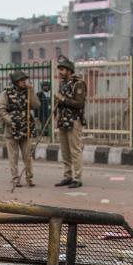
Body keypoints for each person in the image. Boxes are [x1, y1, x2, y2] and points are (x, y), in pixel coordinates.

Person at [0, 70, 41, 188]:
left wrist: (31, 91)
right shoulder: (6, 93)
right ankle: (15, 179)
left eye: (24, 80)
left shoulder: (28, 91)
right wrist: (11, 120)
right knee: (13, 156)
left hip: (26, 128)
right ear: (15, 82)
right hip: (12, 130)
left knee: (28, 155)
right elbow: (0, 110)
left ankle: (29, 178)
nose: (24, 82)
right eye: (21, 80)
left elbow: (36, 105)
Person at [53, 56, 87, 188]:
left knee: (75, 150)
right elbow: (60, 101)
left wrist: (62, 100)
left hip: (74, 120)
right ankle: (67, 176)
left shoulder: (78, 84)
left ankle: (77, 178)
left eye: (62, 69)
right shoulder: (62, 84)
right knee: (65, 151)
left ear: (69, 70)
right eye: (59, 69)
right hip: (63, 120)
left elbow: (79, 104)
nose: (60, 72)